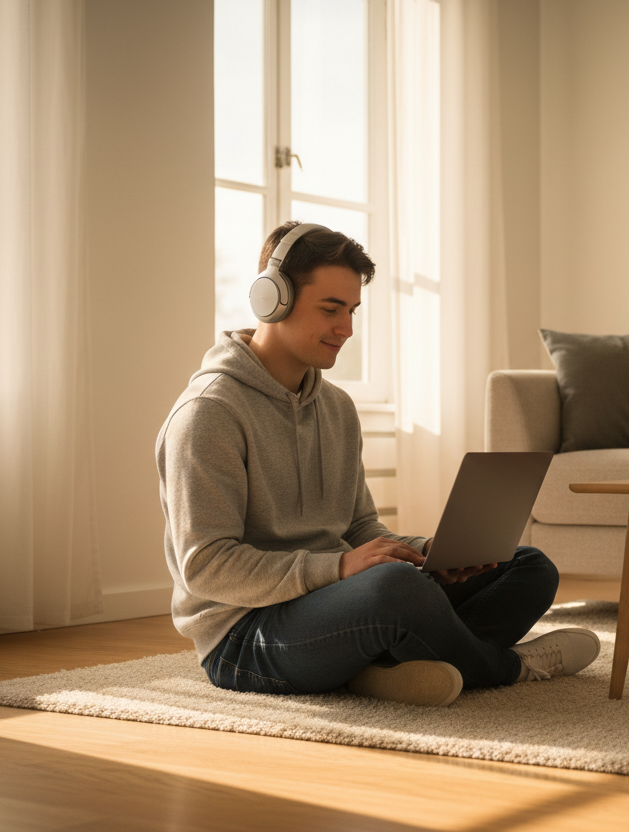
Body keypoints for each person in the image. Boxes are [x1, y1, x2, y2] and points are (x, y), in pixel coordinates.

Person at [155, 221, 599, 706]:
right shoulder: (209, 413)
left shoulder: (337, 408)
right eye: (331, 309)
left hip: (332, 604)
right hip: (245, 636)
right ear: (272, 299)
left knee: (528, 566)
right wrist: (342, 567)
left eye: (351, 310)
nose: (345, 329)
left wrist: (427, 552)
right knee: (395, 591)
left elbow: (359, 525)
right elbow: (206, 566)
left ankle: (381, 668)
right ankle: (511, 667)